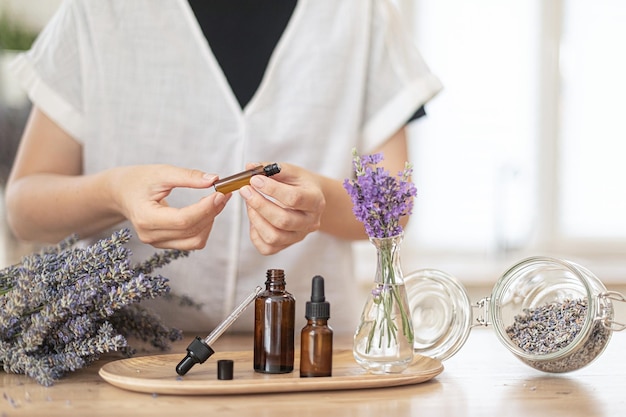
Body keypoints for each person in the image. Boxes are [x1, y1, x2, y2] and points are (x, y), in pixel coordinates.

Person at [5, 0, 442, 334]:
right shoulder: (96, 11)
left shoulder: (360, 13)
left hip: (310, 362)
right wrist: (115, 193)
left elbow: (393, 208)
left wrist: (322, 202)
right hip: (120, 359)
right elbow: (24, 209)